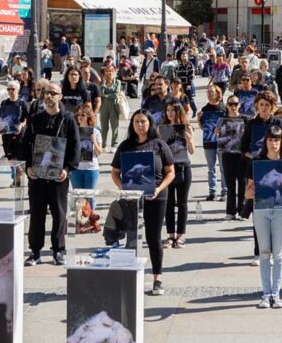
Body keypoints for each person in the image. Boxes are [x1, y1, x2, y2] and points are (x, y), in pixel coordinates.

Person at [111, 110, 175, 294]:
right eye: (136, 121)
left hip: (156, 196)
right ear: (132, 124)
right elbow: (115, 173)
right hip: (132, 198)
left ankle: (157, 279)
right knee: (131, 237)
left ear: (150, 123)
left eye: (143, 121)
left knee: (153, 238)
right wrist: (123, 188)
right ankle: (131, 277)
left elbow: (171, 172)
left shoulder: (159, 145)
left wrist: (158, 188)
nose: (140, 125)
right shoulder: (125, 146)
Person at [22, 83, 79, 266]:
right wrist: (28, 167)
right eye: (46, 93)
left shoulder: (68, 119)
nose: (49, 96)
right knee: (37, 213)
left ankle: (58, 250)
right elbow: (25, 144)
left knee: (59, 214)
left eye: (53, 93)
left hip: (58, 177)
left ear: (60, 96)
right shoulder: (35, 119)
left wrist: (67, 169)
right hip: (37, 176)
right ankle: (35, 252)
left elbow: (75, 148)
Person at [246, 125, 282, 308]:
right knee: (264, 253)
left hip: (281, 210)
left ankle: (276, 294)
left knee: (278, 254)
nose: (273, 143)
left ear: (281, 142)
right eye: (270, 139)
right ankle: (265, 293)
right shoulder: (256, 162)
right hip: (261, 209)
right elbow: (248, 191)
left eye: (277, 139)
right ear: (265, 141)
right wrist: (249, 194)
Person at [162, 101, 194, 248]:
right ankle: (170, 235)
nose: (170, 113)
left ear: (178, 112)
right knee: (168, 203)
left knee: (182, 203)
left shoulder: (186, 127)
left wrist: (189, 139)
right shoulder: (162, 128)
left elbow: (192, 151)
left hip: (183, 166)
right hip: (168, 168)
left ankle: (181, 235)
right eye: (167, 110)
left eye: (172, 110)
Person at [69, 102, 102, 191]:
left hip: (91, 169)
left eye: (83, 115)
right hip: (76, 169)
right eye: (78, 114)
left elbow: (99, 153)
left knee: (90, 198)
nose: (79, 117)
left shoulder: (95, 132)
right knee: (78, 198)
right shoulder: (73, 131)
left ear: (88, 117)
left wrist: (94, 141)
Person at [0, 81, 29, 164]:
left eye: (13, 89)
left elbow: (27, 118)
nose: (10, 91)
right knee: (10, 159)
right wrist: (0, 126)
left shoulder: (22, 103)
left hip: (18, 135)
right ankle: (14, 174)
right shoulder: (4, 103)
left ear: (18, 90)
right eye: (8, 89)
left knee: (18, 158)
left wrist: (21, 125)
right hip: (7, 135)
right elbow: (0, 117)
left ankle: (18, 174)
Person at [98, 63, 124, 148]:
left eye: (110, 71)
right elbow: (101, 92)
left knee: (114, 126)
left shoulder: (117, 82)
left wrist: (106, 95)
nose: (108, 73)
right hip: (104, 106)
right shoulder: (102, 82)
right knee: (104, 126)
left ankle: (114, 144)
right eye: (107, 71)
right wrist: (104, 83)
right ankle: (103, 144)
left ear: (113, 72)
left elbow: (116, 94)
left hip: (114, 105)